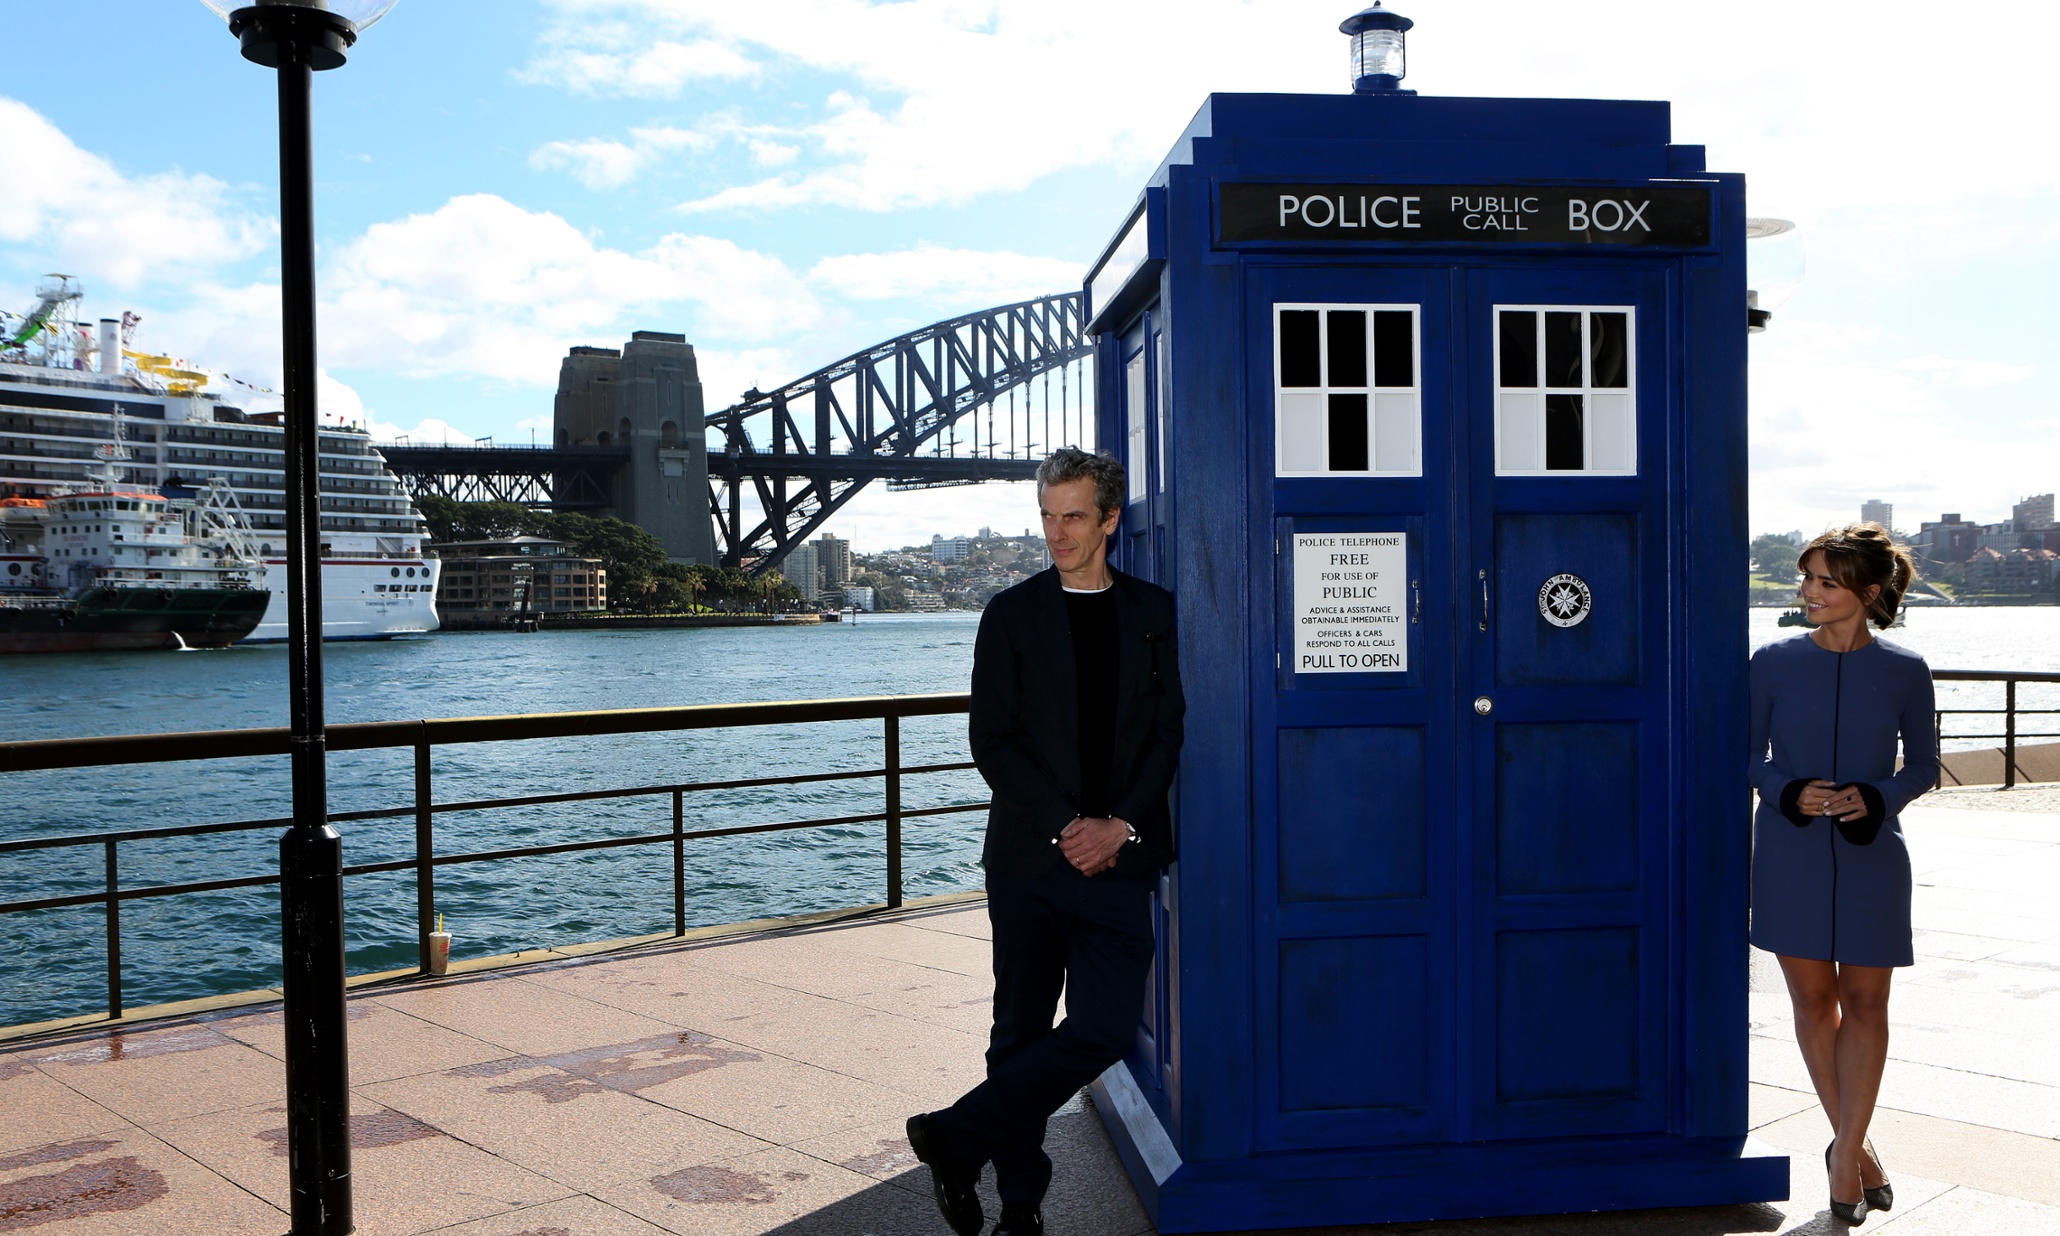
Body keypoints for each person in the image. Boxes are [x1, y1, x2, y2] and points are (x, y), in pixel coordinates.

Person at [907, 447, 1184, 1236]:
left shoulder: (1154, 613)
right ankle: (1019, 1204)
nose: (1056, 533)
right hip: (1032, 861)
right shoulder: (1011, 613)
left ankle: (956, 1138)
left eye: (1072, 517)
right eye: (1046, 517)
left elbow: (1168, 732)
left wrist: (1119, 825)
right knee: (1020, 1030)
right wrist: (1071, 827)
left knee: (1100, 1027)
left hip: (1122, 862)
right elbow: (992, 742)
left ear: (1108, 520)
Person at [1748, 523, 1936, 1227]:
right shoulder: (1770, 660)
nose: (1808, 593)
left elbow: (1923, 764)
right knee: (1811, 1004)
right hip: (1791, 855)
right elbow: (1744, 755)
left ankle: (1844, 1149)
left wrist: (1879, 795)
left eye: (1825, 582)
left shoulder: (1904, 670)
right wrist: (1787, 788)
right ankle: (1858, 1155)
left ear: (1870, 592)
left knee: (1865, 1007)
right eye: (1808, 580)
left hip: (1873, 857)